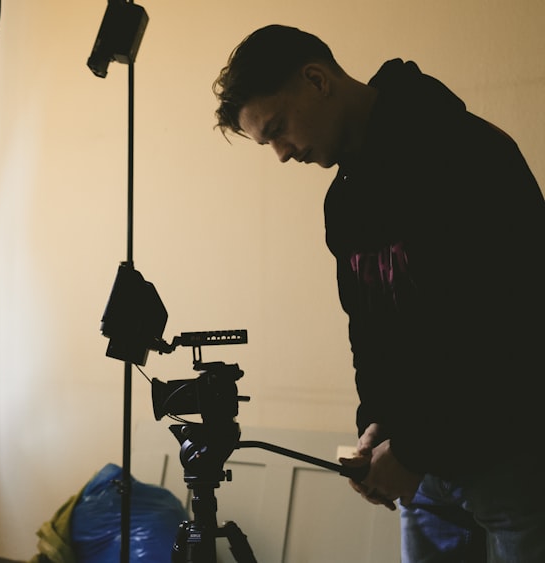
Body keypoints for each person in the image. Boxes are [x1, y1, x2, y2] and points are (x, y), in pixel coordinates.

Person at [213, 24, 545, 561]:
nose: (279, 153)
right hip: (421, 477)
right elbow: (368, 332)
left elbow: (511, 327)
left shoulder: (467, 153)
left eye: (277, 128)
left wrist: (411, 448)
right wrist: (374, 429)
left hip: (511, 463)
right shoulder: (342, 204)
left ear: (317, 79)